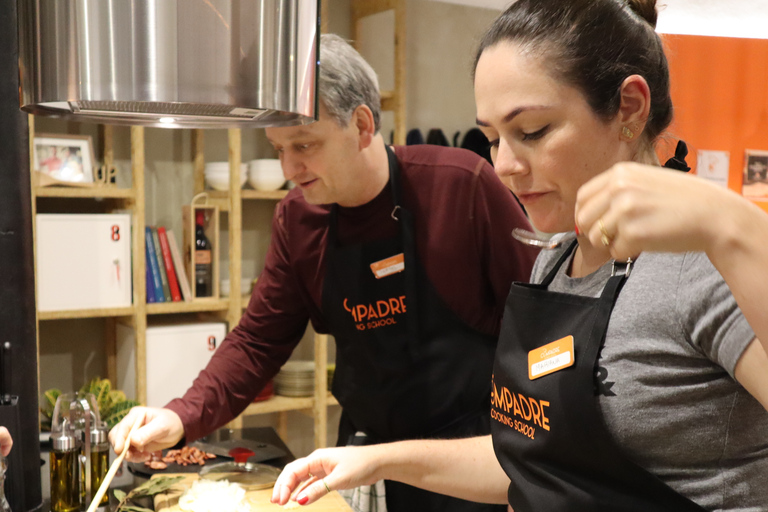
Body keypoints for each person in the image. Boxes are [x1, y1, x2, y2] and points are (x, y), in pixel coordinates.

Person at [269, 1, 768, 511]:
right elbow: (534, 461)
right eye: (491, 138)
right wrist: (378, 460)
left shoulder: (704, 268)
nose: (504, 165)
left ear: (630, 109)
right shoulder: (554, 263)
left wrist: (737, 225)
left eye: (531, 131)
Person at [110, 34, 538, 512]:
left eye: (304, 145)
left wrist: (538, 453)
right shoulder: (297, 219)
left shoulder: (462, 186)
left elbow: (538, 326)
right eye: (277, 149)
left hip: (467, 459)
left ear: (360, 124)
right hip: (364, 456)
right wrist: (179, 416)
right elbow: (257, 342)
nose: (290, 167)